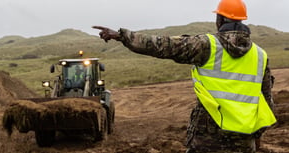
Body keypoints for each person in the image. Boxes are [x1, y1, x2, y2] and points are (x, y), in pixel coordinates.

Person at [93, 0, 277, 152]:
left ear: (219, 19)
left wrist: (122, 36)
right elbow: (266, 102)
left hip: (208, 141)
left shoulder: (208, 45)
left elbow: (163, 46)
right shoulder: (260, 55)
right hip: (244, 142)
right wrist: (257, 135)